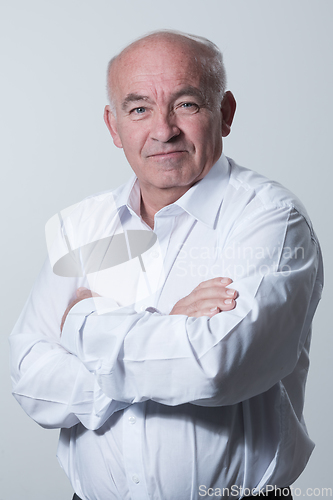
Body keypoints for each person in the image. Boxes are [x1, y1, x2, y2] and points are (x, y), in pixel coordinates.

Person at [10, 30, 323, 500]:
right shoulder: (83, 227)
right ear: (114, 127)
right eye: (139, 109)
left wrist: (81, 323)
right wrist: (169, 326)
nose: (162, 130)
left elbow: (215, 366)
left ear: (226, 113)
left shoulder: (271, 219)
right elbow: (32, 380)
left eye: (187, 104)